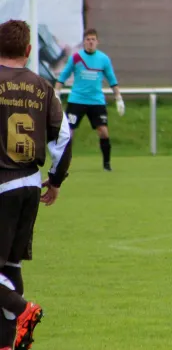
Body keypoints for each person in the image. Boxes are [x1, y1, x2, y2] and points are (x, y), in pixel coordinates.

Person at [0, 20, 72, 349]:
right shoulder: (43, 87)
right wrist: (55, 180)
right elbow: (63, 138)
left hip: (1, 182)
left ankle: (24, 310)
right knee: (9, 265)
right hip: (29, 183)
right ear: (29, 51)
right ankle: (9, 341)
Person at [55, 28, 124, 171]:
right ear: (84, 42)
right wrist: (57, 92)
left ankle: (107, 164)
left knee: (103, 131)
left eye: (93, 39)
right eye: (88, 40)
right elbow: (63, 76)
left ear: (97, 42)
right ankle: (63, 164)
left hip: (96, 101)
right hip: (77, 100)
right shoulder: (76, 58)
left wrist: (119, 98)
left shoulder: (103, 59)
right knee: (69, 133)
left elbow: (112, 79)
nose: (90, 42)